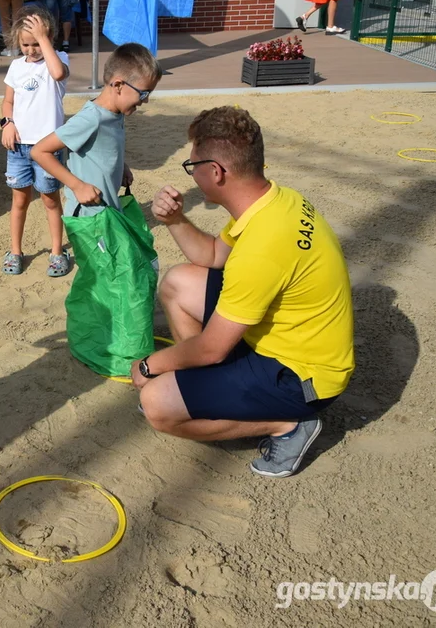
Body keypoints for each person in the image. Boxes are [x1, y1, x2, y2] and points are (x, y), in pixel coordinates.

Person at [133, 107, 354, 478]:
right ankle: (212, 383)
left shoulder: (264, 245)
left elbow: (210, 348)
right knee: (178, 282)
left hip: (302, 375)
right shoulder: (273, 200)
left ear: (216, 172)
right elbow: (214, 255)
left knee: (155, 402)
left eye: (193, 167)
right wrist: (173, 221)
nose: (193, 175)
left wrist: (147, 366)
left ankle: (286, 424)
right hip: (289, 338)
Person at [32, 43, 160, 219]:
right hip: (89, 216)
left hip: (107, 210)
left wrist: (120, 166)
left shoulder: (116, 113)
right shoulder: (91, 119)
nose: (145, 101)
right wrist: (77, 186)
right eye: (144, 94)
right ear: (118, 85)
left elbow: (103, 149)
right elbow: (39, 151)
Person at [0, 7, 71, 278]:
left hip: (48, 147)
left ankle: (56, 251)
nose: (31, 50)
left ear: (48, 37)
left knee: (50, 199)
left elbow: (58, 74)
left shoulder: (59, 59)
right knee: (19, 200)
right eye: (25, 44)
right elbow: (8, 101)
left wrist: (44, 40)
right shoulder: (16, 67)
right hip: (18, 147)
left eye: (36, 43)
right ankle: (15, 250)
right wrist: (8, 123)